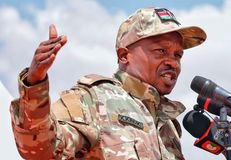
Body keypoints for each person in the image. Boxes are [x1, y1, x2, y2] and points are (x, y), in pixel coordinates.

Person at [10, 7, 206, 159]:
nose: (172, 62)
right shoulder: (94, 99)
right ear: (124, 56)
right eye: (161, 51)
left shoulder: (168, 125)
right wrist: (35, 83)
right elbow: (41, 150)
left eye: (178, 55)